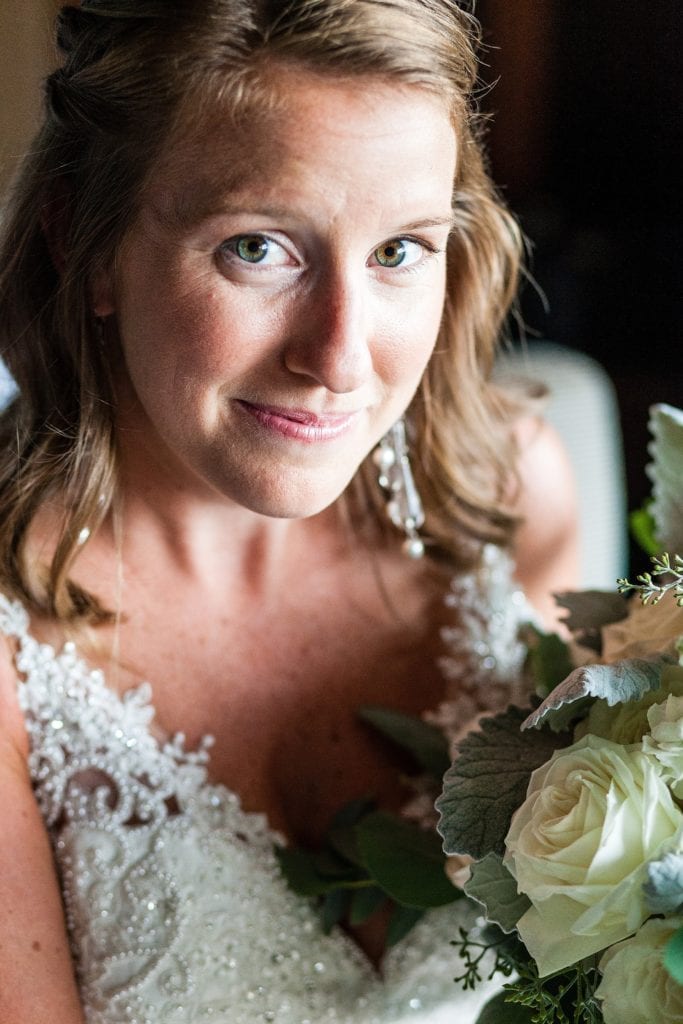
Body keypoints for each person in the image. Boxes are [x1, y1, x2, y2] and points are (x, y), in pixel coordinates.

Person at [0, 1, 579, 1021]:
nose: (340, 359)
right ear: (81, 242)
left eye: (399, 251)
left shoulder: (509, 499)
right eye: (258, 248)